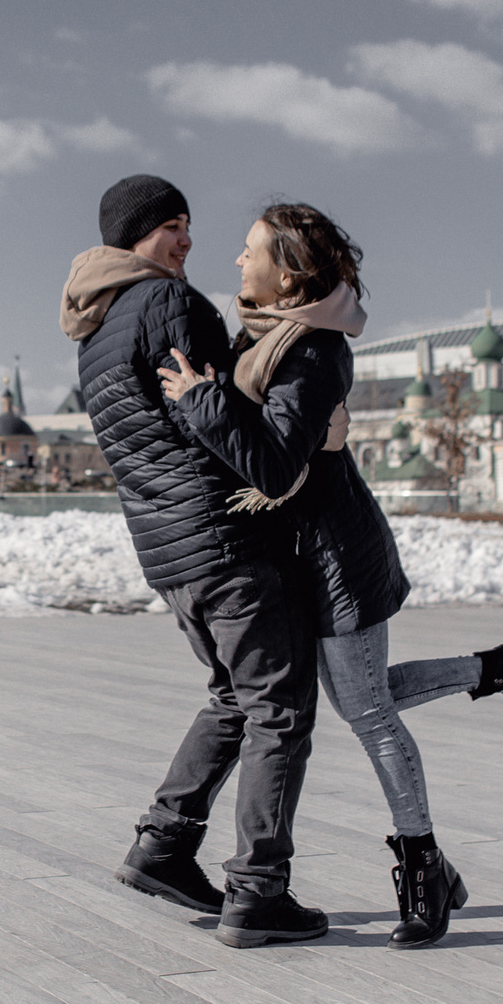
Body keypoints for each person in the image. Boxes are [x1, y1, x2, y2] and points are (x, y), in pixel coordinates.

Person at [160, 202, 503, 949]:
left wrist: (201, 402)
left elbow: (274, 460)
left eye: (249, 249)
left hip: (337, 556)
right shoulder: (263, 340)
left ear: (286, 272)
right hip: (305, 554)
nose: (236, 260)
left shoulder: (313, 350)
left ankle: (424, 869)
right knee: (364, 698)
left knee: (370, 713)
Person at [62, 174, 329, 947]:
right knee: (279, 708)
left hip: (168, 549)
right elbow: (220, 416)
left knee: (233, 696)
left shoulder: (98, 325)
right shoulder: (170, 305)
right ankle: (258, 892)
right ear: (136, 233)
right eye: (173, 226)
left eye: (189, 225)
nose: (187, 240)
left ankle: (164, 846)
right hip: (223, 537)